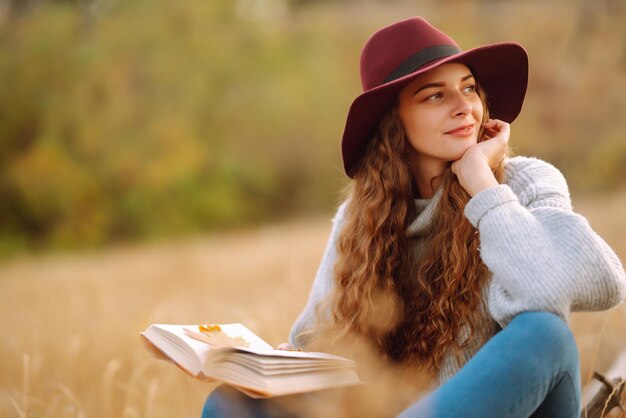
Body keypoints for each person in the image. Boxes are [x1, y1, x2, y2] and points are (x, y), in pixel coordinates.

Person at [201, 16, 626, 418]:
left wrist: (484, 187)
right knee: (230, 402)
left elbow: (587, 288)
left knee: (545, 334)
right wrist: (290, 363)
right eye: (436, 95)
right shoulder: (361, 216)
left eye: (470, 88)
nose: (465, 108)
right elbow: (320, 337)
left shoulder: (524, 183)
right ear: (394, 122)